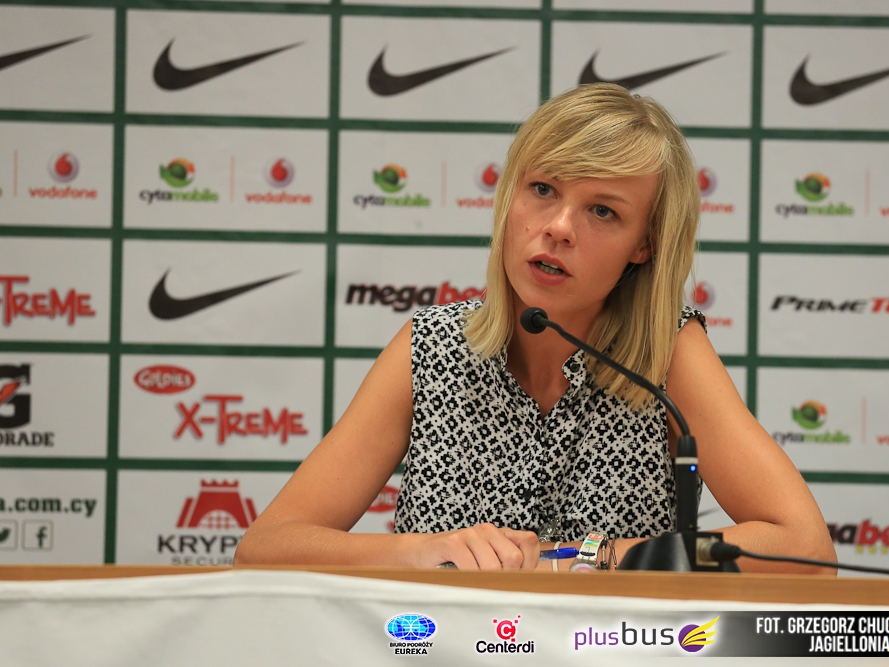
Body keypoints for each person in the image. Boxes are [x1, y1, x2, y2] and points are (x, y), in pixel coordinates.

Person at [235, 83, 836, 573]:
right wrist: (419, 552)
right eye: (543, 189)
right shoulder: (433, 347)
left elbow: (805, 550)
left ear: (645, 245)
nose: (559, 227)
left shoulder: (666, 353)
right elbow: (265, 547)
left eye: (603, 211)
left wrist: (587, 558)